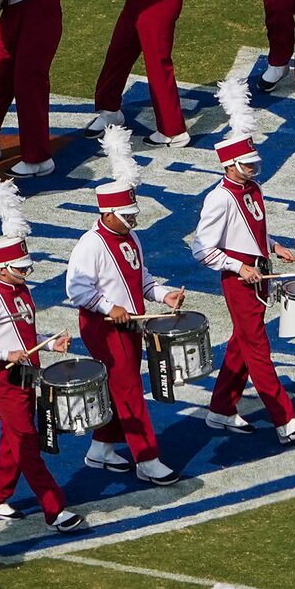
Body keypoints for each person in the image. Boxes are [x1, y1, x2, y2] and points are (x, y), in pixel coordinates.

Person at [189, 63, 295, 443]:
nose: (255, 168)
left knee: (243, 344)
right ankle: (284, 419)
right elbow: (201, 248)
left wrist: (273, 245)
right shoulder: (219, 198)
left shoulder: (251, 190)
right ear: (230, 165)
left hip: (260, 270)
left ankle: (222, 408)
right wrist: (238, 266)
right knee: (258, 350)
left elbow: (252, 227)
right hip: (240, 280)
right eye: (248, 164)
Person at [0, 185, 80, 531]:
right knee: (27, 443)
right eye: (20, 268)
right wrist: (4, 353)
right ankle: (55, 509)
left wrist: (48, 344)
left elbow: (25, 336)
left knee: (13, 441)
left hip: (27, 376)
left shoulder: (20, 290)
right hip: (5, 379)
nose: (26, 272)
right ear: (1, 269)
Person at [66, 130, 182, 483]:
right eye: (127, 214)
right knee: (129, 389)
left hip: (129, 325)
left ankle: (101, 448)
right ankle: (147, 460)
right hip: (104, 328)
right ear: (109, 212)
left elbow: (141, 279)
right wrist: (108, 307)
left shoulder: (129, 236)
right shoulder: (90, 244)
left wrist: (163, 296)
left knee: (121, 386)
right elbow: (76, 289)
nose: (134, 219)